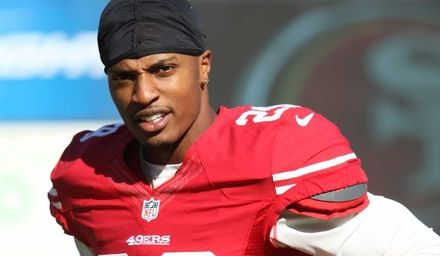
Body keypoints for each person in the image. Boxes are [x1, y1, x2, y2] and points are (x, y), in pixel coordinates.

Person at [48, 0, 440, 255]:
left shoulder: (275, 157)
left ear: (203, 66)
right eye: (123, 77)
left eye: (163, 69)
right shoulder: (87, 174)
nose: (143, 93)